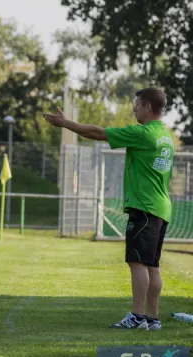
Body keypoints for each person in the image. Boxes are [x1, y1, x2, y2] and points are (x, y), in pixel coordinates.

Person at [43, 87, 174, 330]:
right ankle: (152, 319)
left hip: (144, 207)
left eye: (137, 104)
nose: (134, 108)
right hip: (161, 207)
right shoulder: (166, 136)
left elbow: (97, 132)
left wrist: (66, 123)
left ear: (147, 106)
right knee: (152, 264)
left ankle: (137, 316)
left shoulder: (143, 133)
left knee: (138, 263)